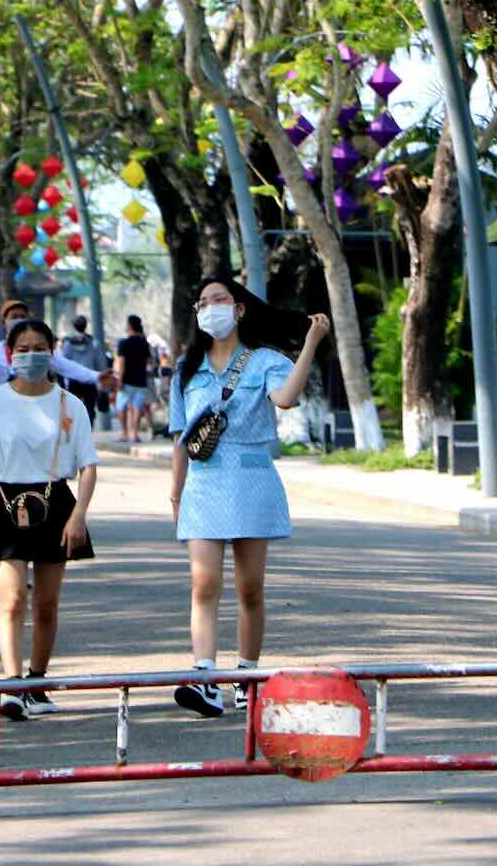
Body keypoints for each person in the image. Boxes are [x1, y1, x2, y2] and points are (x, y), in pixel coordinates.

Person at [169, 278, 331, 717]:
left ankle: (247, 676)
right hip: (203, 482)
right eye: (203, 302)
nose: (210, 308)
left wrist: (310, 343)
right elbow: (181, 437)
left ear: (239, 309)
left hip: (251, 479)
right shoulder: (187, 367)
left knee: (249, 588)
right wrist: (175, 495)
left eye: (219, 300)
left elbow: (286, 398)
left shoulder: (264, 360)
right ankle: (204, 678)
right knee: (204, 583)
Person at [0, 319, 99, 721]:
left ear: (52, 352)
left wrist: (78, 515)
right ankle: (12, 684)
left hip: (55, 504)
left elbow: (88, 466)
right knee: (13, 598)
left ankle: (37, 683)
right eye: (23, 348)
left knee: (47, 603)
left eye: (40, 347)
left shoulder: (70, 405)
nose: (31, 355)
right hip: (4, 504)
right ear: (10, 354)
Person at [0, 299, 110, 395]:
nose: (18, 319)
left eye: (22, 316)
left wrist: (97, 376)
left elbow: (68, 367)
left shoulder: (39, 350)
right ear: (4, 322)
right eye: (14, 316)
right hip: (3, 410)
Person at [115, 315, 152, 442]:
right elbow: (149, 361)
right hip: (141, 380)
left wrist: (120, 380)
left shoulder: (123, 343)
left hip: (127, 381)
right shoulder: (144, 343)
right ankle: (135, 434)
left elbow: (121, 363)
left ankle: (125, 434)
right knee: (137, 407)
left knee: (121, 406)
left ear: (130, 326)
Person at [59, 315, 102, 422]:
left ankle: (76, 429)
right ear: (85, 326)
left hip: (74, 380)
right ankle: (89, 428)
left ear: (74, 326)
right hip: (90, 379)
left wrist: (64, 381)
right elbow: (99, 362)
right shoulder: (94, 343)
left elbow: (64, 362)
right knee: (90, 408)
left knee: (73, 408)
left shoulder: (68, 343)